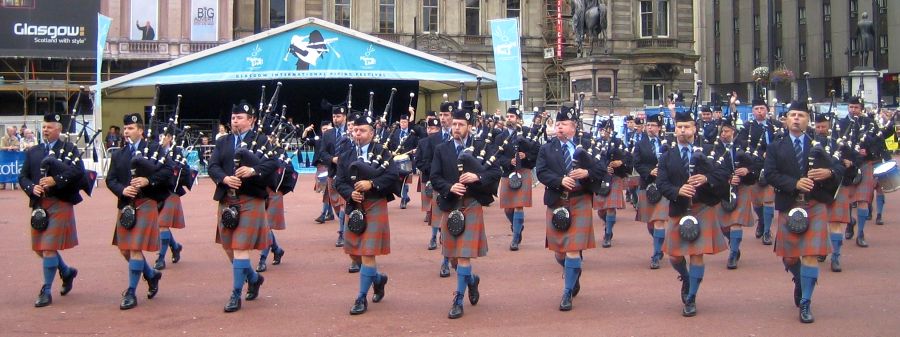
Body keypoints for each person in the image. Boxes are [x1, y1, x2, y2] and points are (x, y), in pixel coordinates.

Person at [764, 101, 844, 323]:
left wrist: (828, 172)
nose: (796, 119)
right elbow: (770, 174)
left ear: (808, 120)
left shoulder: (821, 145)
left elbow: (841, 169)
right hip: (790, 204)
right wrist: (794, 183)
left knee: (810, 254)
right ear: (786, 119)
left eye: (801, 115)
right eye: (792, 115)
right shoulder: (776, 147)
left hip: (815, 204)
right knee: (790, 258)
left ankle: (806, 302)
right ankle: (800, 280)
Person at [656, 108, 729, 317]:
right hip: (679, 208)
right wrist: (677, 191)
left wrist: (707, 179)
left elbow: (723, 174)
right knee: (675, 257)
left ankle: (691, 297)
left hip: (702, 207)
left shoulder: (709, 151)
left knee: (697, 255)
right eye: (679, 127)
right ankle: (686, 278)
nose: (682, 131)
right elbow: (661, 183)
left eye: (686, 127)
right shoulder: (667, 156)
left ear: (694, 129)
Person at [430, 107, 500, 319]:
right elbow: (435, 177)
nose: (456, 128)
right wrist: (449, 187)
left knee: (463, 256)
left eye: (461, 125)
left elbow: (496, 171)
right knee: (452, 257)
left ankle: (458, 299)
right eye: (454, 124)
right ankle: (471, 280)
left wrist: (477, 178)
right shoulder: (442, 149)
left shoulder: (481, 147)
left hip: (471, 204)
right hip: (451, 204)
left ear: (470, 126)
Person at [208, 102, 278, 312]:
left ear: (251, 120)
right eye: (233, 117)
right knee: (228, 247)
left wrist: (253, 170)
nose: (235, 121)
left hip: (250, 199)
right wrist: (225, 178)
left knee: (239, 248)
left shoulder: (262, 140)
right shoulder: (223, 142)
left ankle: (235, 294)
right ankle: (254, 278)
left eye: (240, 117)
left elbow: (273, 163)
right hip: (227, 198)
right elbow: (213, 166)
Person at [535, 106, 604, 311]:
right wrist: (559, 180)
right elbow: (541, 172)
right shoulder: (547, 148)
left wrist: (586, 172)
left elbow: (601, 169)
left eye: (563, 124)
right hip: (558, 200)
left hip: (580, 199)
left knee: (573, 250)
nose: (559, 128)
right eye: (557, 124)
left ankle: (566, 292)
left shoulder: (588, 145)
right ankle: (574, 273)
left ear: (574, 127)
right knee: (560, 253)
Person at [334, 114, 399, 315]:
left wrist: (372, 184)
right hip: (354, 205)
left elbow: (392, 175)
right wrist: (349, 193)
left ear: (372, 133)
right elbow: (340, 181)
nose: (357, 134)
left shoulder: (382, 151)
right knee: (354, 253)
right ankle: (378, 279)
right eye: (355, 130)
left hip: (374, 204)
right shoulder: (345, 154)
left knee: (368, 253)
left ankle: (361, 297)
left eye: (362, 130)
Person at [19, 113, 85, 307]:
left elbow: (78, 172)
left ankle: (46, 290)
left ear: (59, 129)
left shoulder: (69, 149)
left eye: (49, 127)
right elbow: (23, 177)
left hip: (60, 202)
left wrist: (56, 180)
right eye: (44, 126)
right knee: (40, 248)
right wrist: (32, 187)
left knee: (47, 249)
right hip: (40, 204)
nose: (45, 130)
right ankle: (66, 271)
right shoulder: (33, 152)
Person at [106, 113, 171, 310]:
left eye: (131, 129)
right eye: (125, 129)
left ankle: (131, 292)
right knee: (124, 249)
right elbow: (111, 180)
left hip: (145, 202)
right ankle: (151, 275)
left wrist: (148, 181)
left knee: (134, 248)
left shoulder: (154, 150)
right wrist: (122, 189)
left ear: (141, 131)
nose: (127, 132)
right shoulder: (119, 154)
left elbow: (168, 171)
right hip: (126, 204)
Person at [737, 97, 784, 245]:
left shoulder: (775, 125)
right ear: (752, 111)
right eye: (756, 109)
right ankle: (762, 221)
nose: (759, 111)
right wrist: (759, 153)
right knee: (757, 202)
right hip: (755, 165)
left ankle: (767, 232)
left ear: (767, 110)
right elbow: (742, 144)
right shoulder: (747, 127)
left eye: (762, 108)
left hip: (773, 165)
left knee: (769, 199)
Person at [415, 102, 455, 275]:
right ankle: (445, 261)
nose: (444, 118)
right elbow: (424, 162)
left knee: (457, 226)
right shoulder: (432, 140)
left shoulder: (465, 138)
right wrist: (437, 175)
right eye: (442, 115)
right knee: (445, 226)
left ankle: (458, 260)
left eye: (447, 115)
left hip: (461, 189)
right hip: (441, 187)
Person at [716, 115, 760, 269]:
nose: (723, 134)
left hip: (741, 188)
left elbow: (758, 163)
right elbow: (710, 168)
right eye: (721, 131)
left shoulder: (743, 146)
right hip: (722, 188)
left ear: (733, 131)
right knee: (722, 224)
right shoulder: (714, 148)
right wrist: (727, 179)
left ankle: (733, 253)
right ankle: (733, 243)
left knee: (736, 223)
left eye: (726, 131)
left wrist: (747, 170)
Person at [633, 114, 673, 269]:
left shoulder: (668, 142)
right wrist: (650, 171)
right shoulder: (640, 143)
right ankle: (659, 243)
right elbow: (637, 163)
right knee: (651, 223)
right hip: (648, 184)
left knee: (659, 220)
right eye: (648, 125)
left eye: (653, 125)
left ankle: (656, 254)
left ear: (659, 127)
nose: (650, 128)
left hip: (664, 185)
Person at [497, 106, 539, 251]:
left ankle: (515, 239)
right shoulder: (499, 137)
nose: (509, 119)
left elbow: (536, 150)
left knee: (519, 205)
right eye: (507, 116)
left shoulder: (527, 133)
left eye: (512, 116)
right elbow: (496, 157)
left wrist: (526, 156)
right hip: (508, 173)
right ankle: (517, 227)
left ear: (518, 119)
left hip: (524, 170)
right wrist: (509, 161)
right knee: (508, 209)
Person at [593, 119, 631, 248]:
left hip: (615, 177)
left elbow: (628, 156)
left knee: (610, 207)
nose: (603, 132)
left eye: (606, 129)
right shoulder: (595, 143)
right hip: (600, 178)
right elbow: (591, 160)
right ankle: (608, 224)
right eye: (601, 129)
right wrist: (603, 168)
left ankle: (608, 234)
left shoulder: (618, 142)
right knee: (601, 210)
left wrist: (620, 162)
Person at [153, 131, 186, 270]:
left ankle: (160, 258)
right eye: (160, 136)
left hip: (171, 192)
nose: (162, 139)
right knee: (161, 224)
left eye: (164, 136)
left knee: (162, 224)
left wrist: (174, 167)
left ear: (171, 138)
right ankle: (175, 246)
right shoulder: (154, 150)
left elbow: (184, 170)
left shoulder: (177, 151)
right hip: (156, 191)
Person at [1, 126, 22, 190]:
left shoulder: (15, 138)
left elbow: (18, 146)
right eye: (11, 131)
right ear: (7, 131)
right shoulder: (3, 138)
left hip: (13, 157)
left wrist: (12, 148)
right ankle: (2, 184)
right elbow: (1, 147)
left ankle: (14, 183)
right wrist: (8, 148)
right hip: (5, 157)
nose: (13, 132)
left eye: (13, 131)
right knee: (4, 170)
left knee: (14, 169)